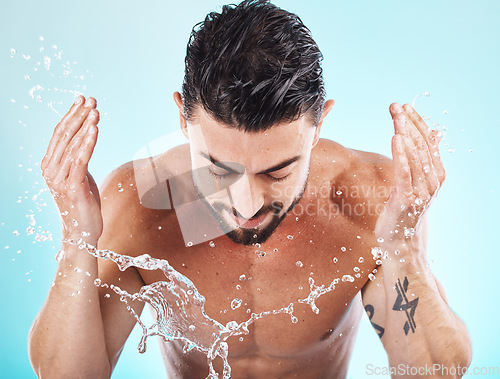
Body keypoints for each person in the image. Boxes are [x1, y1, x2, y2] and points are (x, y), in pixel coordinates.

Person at [28, 0, 472, 377]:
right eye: (219, 169)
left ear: (317, 127)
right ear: (184, 118)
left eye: (277, 171)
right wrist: (77, 241)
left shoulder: (368, 201)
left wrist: (401, 248)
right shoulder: (141, 205)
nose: (248, 204)